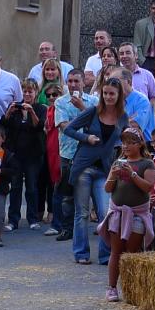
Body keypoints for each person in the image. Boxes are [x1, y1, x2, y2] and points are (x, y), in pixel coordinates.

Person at [64, 77, 129, 265]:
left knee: (104, 212)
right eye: (106, 93)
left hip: (105, 169)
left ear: (118, 96)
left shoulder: (122, 116)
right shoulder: (93, 112)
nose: (108, 97)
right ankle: (81, 253)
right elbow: (69, 129)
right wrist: (86, 138)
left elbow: (125, 139)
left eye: (112, 94)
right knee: (82, 213)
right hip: (84, 167)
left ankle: (105, 254)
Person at [99, 127, 155, 302]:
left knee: (132, 251)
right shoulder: (117, 162)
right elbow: (108, 188)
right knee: (116, 251)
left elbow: (148, 187)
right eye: (124, 142)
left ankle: (133, 288)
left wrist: (132, 174)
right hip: (117, 212)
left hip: (137, 214)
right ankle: (112, 287)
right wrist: (114, 176)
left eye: (131, 142)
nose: (126, 146)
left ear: (140, 144)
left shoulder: (147, 163)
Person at [54, 69, 99, 242]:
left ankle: (98, 226)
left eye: (76, 81)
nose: (73, 85)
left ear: (83, 83)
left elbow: (99, 123)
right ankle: (67, 228)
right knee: (68, 194)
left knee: (93, 192)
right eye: (70, 81)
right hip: (69, 152)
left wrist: (82, 108)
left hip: (90, 154)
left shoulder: (93, 101)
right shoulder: (61, 102)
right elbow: (64, 126)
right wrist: (85, 136)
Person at [1, 78, 46, 231]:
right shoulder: (15, 107)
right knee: (15, 187)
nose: (27, 94)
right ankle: (13, 220)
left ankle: (32, 218)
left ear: (36, 93)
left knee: (32, 187)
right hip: (16, 154)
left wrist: (31, 111)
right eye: (25, 91)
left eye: (30, 91)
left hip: (33, 155)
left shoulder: (40, 108)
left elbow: (38, 126)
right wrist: (9, 112)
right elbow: (4, 125)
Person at [109, 67, 155, 143]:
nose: (112, 85)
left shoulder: (142, 101)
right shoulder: (113, 101)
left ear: (129, 82)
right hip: (119, 148)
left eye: (116, 81)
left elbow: (133, 127)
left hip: (142, 149)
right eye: (110, 81)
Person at [41, 83, 63, 234]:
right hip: (51, 149)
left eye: (54, 95)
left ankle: (58, 223)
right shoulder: (49, 110)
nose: (51, 98)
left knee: (60, 187)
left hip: (61, 149)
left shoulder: (63, 109)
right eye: (48, 95)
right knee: (55, 185)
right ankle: (58, 222)